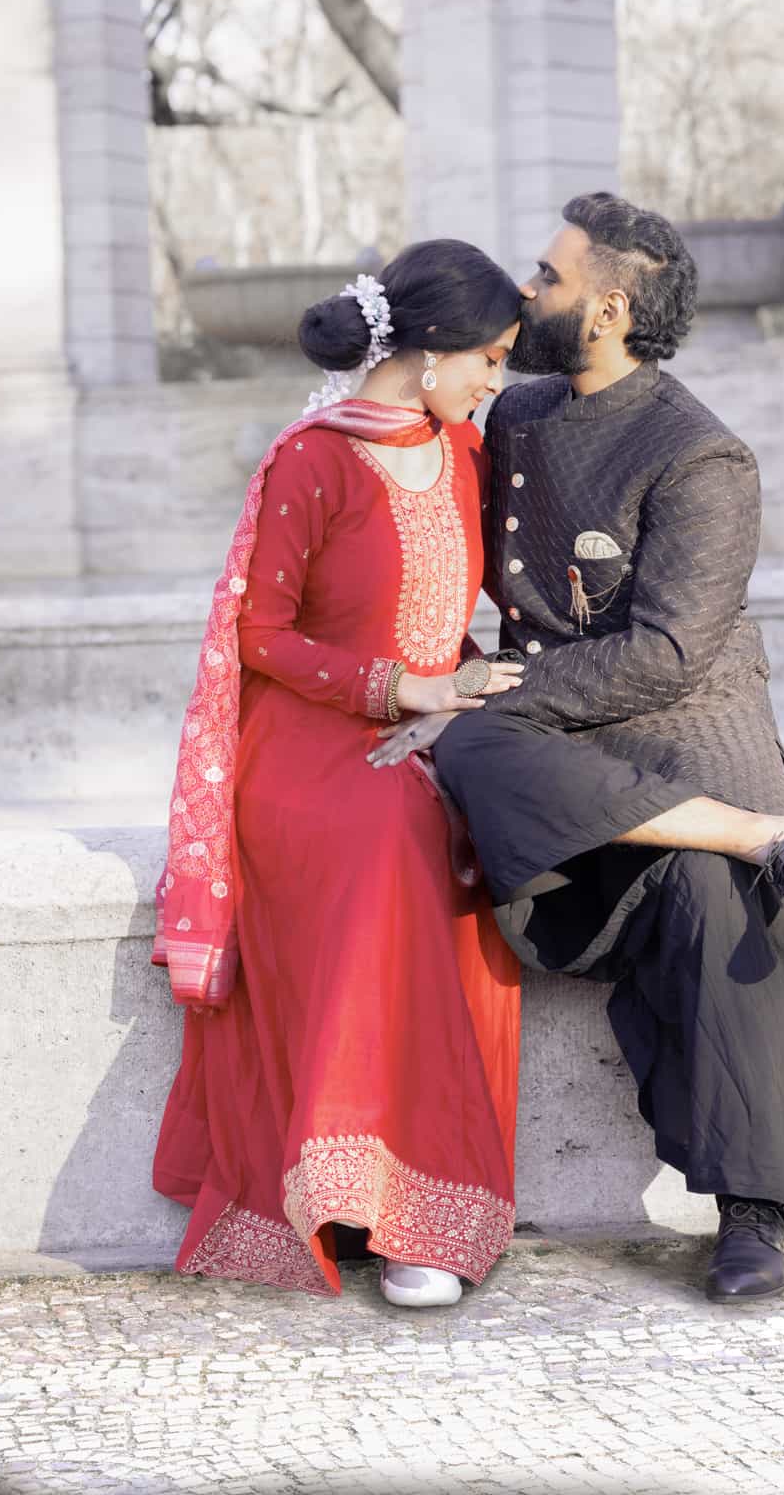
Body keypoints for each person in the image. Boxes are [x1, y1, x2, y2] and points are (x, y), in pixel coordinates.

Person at [368, 192, 784, 1305]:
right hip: (559, 773)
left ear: (609, 309)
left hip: (680, 755)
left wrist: (499, 695)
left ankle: (755, 1212)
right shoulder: (516, 416)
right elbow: (420, 515)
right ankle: (773, 839)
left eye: (548, 276)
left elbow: (669, 654)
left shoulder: (701, 457)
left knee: (705, 891)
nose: (526, 289)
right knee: (471, 754)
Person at [150, 241, 529, 1308]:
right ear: (434, 348)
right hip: (313, 742)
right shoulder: (312, 462)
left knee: (489, 826)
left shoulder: (465, 451)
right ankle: (396, 1210)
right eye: (490, 358)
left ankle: (417, 1192)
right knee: (392, 839)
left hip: (434, 724)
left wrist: (459, 690)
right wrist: (395, 687)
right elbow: (261, 634)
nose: (495, 381)